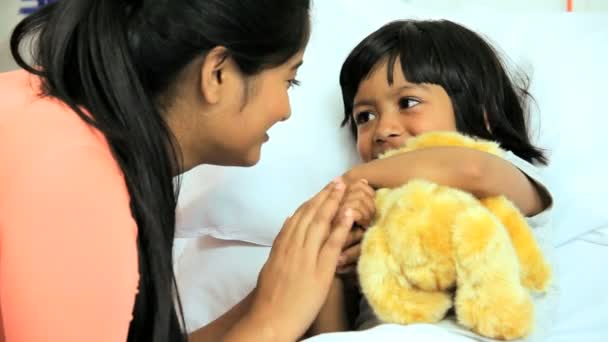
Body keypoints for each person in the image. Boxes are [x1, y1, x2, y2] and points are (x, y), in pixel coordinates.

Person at [0, 1, 375, 341]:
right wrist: (274, 324)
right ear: (217, 74)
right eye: (289, 80)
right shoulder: (73, 183)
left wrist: (271, 293)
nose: (285, 110)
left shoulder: (44, 110)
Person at [311, 19, 556, 341]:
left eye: (408, 103)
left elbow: (472, 170)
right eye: (365, 117)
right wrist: (333, 260)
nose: (383, 129)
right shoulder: (371, 211)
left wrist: (351, 177)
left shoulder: (507, 173)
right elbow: (329, 334)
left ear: (481, 110)